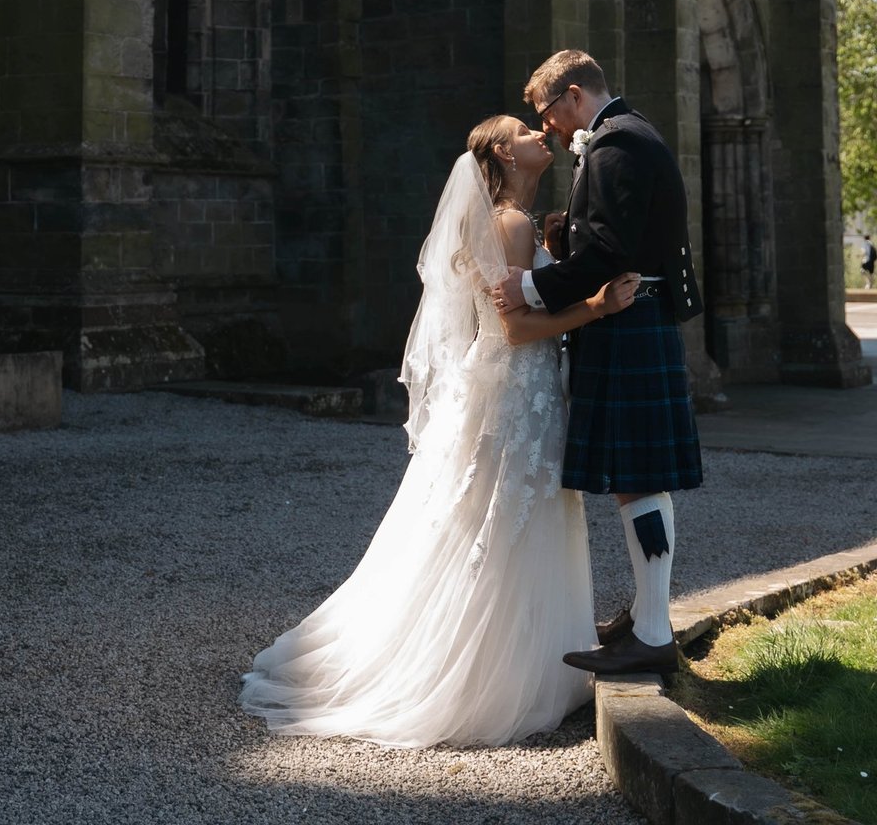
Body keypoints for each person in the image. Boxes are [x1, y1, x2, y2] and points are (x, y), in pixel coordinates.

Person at [239, 115, 639, 748]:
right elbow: (514, 332)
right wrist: (593, 308)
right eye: (525, 132)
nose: (542, 135)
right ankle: (491, 674)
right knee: (505, 521)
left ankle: (521, 658)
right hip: (513, 393)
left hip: (516, 393)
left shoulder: (516, 223)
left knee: (502, 521)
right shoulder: (508, 224)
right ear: (505, 155)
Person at [494, 51, 703, 677]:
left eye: (549, 112)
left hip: (629, 317)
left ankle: (655, 631)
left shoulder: (614, 145)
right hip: (636, 317)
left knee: (638, 476)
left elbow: (610, 251)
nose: (551, 127)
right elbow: (618, 237)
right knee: (637, 476)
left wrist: (530, 288)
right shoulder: (627, 136)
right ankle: (646, 615)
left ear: (575, 94)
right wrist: (568, 241)